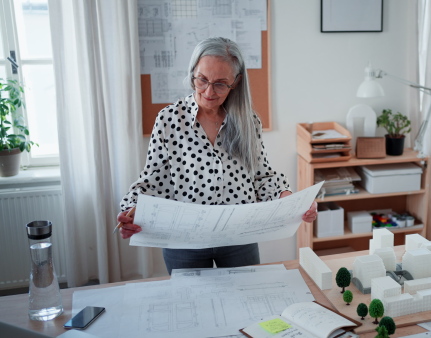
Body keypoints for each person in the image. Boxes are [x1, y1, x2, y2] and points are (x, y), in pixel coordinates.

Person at [117, 37, 317, 274]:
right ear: (193, 73)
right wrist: (131, 210)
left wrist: (291, 201)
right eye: (202, 80)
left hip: (239, 237)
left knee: (245, 304)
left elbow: (262, 176)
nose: (209, 91)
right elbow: (154, 181)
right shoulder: (169, 120)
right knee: (192, 306)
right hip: (185, 241)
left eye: (221, 83)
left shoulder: (248, 121)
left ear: (236, 82)